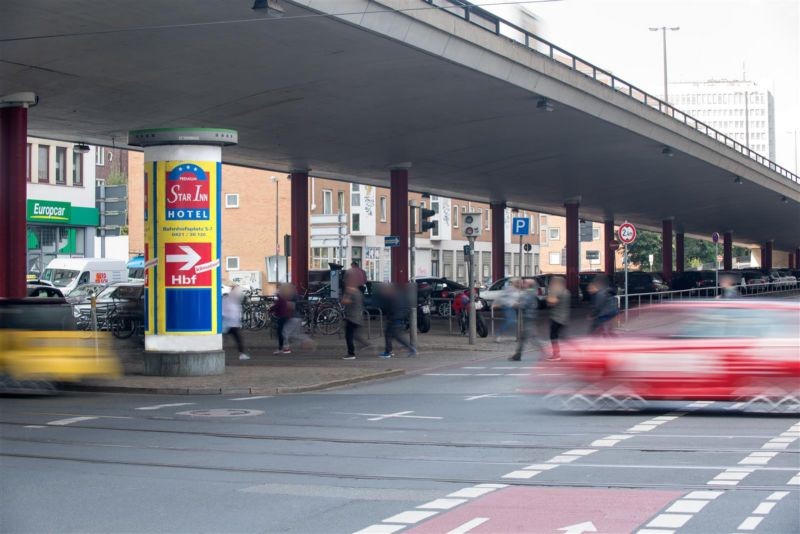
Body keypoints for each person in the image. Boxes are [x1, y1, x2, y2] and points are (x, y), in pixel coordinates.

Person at [379, 283, 416, 358]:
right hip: (399, 319)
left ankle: (388, 352)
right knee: (394, 336)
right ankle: (389, 351)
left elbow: (391, 309)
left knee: (391, 335)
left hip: (395, 319)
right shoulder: (401, 296)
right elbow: (407, 307)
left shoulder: (392, 297)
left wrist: (390, 317)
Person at [509, 279, 542, 361]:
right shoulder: (532, 292)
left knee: (530, 337)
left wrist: (515, 304)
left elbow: (523, 304)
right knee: (525, 337)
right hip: (530, 317)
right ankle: (517, 355)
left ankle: (544, 352)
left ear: (529, 285)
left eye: (525, 283)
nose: (523, 284)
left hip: (528, 317)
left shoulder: (528, 293)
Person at [342, 283, 369, 359]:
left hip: (352, 318)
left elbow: (344, 301)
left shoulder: (353, 294)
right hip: (357, 318)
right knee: (354, 335)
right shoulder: (358, 293)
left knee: (348, 336)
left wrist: (347, 294)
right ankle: (364, 344)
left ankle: (351, 354)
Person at [546, 276, 570, 361]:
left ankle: (556, 354)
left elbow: (551, 303)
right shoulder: (566, 291)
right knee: (563, 337)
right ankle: (577, 350)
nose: (551, 284)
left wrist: (550, 295)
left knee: (553, 337)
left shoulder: (558, 291)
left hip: (556, 318)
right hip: (564, 317)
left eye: (553, 282)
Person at [222, 285, 250, 361]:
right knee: (236, 339)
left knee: (238, 339)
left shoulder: (234, 300)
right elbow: (223, 311)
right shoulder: (227, 300)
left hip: (233, 325)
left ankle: (242, 354)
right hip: (228, 324)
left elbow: (236, 312)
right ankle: (241, 354)